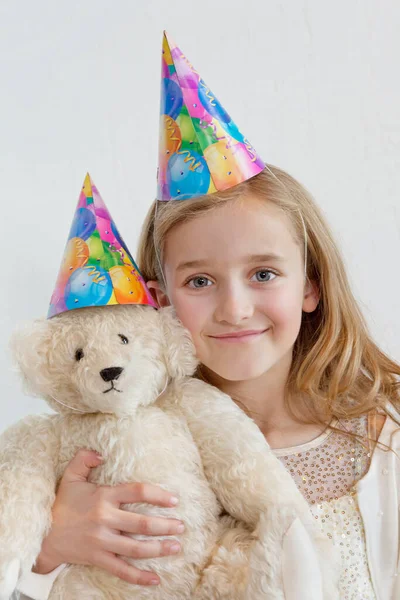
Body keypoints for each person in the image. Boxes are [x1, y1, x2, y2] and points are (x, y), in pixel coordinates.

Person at [15, 33, 400, 600]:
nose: (236, 308)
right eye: (199, 281)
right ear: (160, 297)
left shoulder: (383, 440)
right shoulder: (100, 449)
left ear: (310, 285)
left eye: (264, 274)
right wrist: (47, 548)